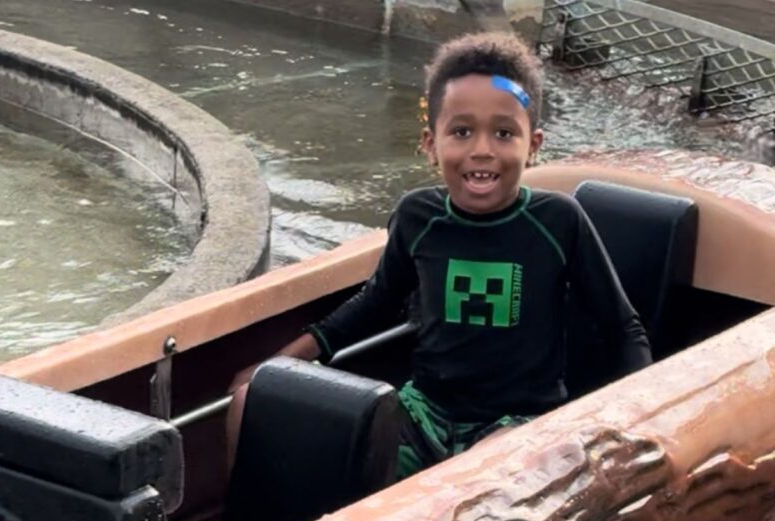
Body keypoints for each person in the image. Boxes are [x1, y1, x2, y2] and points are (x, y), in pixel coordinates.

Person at [228, 32, 652, 479]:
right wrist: (280, 361)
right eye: (462, 131)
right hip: (423, 415)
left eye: (504, 133)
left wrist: (635, 419)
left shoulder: (558, 221)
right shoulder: (417, 216)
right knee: (264, 408)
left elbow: (623, 328)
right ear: (432, 144)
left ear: (534, 145)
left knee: (476, 478)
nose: (482, 149)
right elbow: (375, 303)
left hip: (517, 423)